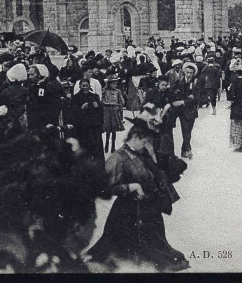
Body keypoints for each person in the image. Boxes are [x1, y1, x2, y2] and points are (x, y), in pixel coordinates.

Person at [87, 120, 189, 272]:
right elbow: (105, 188)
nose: (148, 146)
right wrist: (130, 187)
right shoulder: (118, 158)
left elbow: (157, 178)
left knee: (163, 254)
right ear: (135, 137)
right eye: (146, 142)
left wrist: (153, 156)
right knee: (121, 255)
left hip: (149, 213)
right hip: (126, 214)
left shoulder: (144, 154)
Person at [167, 62, 200, 159]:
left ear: (194, 73)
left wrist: (182, 101)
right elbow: (172, 92)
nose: (189, 74)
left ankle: (185, 150)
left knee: (188, 131)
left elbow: (196, 98)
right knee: (185, 131)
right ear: (184, 72)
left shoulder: (196, 82)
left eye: (191, 73)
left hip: (190, 110)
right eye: (187, 72)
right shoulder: (179, 81)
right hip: (180, 111)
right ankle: (187, 149)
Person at [71, 78, 104, 165]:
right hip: (82, 128)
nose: (85, 87)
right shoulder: (75, 98)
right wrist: (81, 109)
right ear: (79, 86)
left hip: (94, 128)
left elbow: (101, 112)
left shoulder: (95, 96)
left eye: (87, 85)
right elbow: (73, 113)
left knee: (97, 149)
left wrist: (97, 107)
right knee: (84, 149)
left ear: (89, 86)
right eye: (83, 86)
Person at [102, 76, 126, 153]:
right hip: (107, 110)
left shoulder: (118, 91)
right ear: (109, 84)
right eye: (113, 84)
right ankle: (106, 144)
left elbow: (122, 101)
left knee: (114, 129)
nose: (115, 85)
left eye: (116, 84)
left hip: (115, 111)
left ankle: (113, 146)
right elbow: (101, 99)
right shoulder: (105, 91)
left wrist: (120, 107)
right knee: (108, 129)